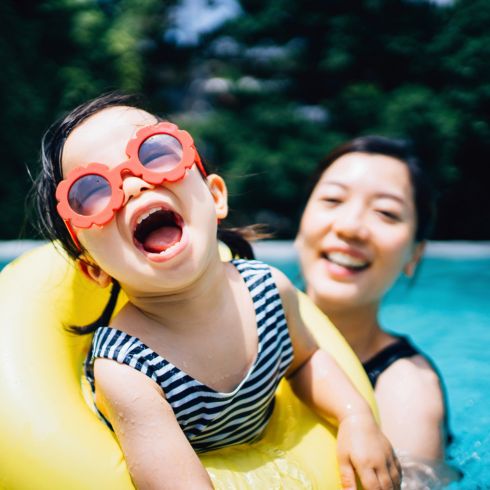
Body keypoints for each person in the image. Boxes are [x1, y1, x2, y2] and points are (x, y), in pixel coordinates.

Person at [33, 94, 401, 490]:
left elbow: (306, 361)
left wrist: (354, 418)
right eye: (92, 191)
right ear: (94, 269)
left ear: (215, 196)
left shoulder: (269, 290)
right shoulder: (126, 368)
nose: (136, 184)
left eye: (154, 153)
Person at [295, 136, 458, 485]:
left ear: (415, 254)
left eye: (386, 212)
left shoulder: (406, 389)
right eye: (333, 200)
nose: (350, 227)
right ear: (302, 221)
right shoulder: (234, 321)